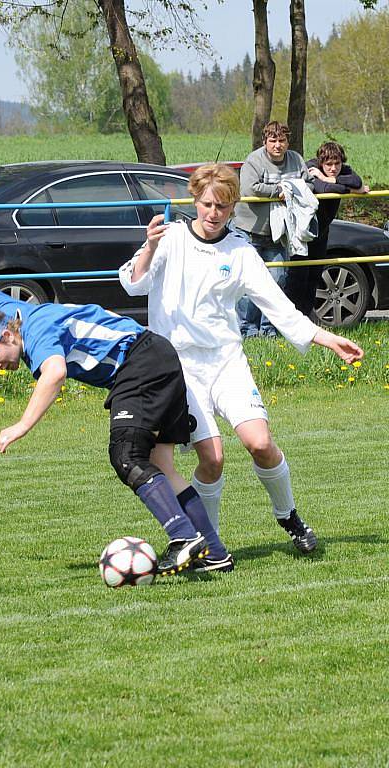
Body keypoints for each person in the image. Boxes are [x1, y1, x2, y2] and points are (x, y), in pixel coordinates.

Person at [0, 268, 233, 578]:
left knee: (126, 456)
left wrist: (21, 425)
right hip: (158, 354)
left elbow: (55, 374)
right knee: (160, 466)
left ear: (7, 337)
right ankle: (215, 553)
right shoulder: (9, 313)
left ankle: (183, 536)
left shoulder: (35, 333)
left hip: (140, 363)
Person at [118, 163, 364, 570]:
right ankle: (208, 546)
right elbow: (132, 283)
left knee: (261, 444)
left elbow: (280, 309)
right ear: (195, 201)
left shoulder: (241, 252)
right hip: (179, 368)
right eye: (207, 204)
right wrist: (148, 247)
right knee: (212, 459)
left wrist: (327, 339)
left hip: (226, 361)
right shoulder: (170, 238)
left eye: (222, 206)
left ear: (233, 209)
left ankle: (288, 515)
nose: (213, 213)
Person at [234, 121, 315, 337]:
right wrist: (279, 191)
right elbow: (250, 188)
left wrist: (292, 189)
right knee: (247, 284)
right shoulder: (254, 161)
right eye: (273, 141)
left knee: (277, 281)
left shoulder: (296, 160)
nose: (277, 145)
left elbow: (310, 184)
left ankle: (269, 329)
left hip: (280, 233)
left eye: (282, 140)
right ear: (265, 142)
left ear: (288, 141)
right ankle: (246, 329)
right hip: (250, 230)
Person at [285, 140, 369, 316]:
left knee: (314, 276)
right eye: (328, 164)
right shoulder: (310, 167)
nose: (333, 168)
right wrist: (352, 190)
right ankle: (291, 320)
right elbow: (323, 189)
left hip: (322, 232)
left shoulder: (339, 172)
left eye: (337, 163)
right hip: (303, 233)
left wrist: (329, 179)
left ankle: (306, 318)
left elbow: (356, 180)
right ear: (320, 162)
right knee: (298, 277)